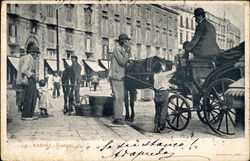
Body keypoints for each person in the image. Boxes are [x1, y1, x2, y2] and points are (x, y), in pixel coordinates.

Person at [109, 33, 131, 125]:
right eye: (126, 41)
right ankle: (117, 118)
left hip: (119, 76)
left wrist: (127, 52)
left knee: (119, 97)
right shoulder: (117, 50)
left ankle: (118, 117)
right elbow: (122, 62)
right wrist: (127, 52)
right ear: (121, 42)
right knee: (118, 97)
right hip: (116, 76)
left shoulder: (121, 50)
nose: (127, 42)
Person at [16, 43, 40, 121]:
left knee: (32, 96)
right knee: (29, 97)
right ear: (33, 53)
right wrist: (33, 75)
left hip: (29, 79)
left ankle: (29, 114)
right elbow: (24, 70)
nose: (37, 55)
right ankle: (26, 115)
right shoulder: (28, 58)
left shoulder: (27, 58)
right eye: (36, 53)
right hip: (28, 80)